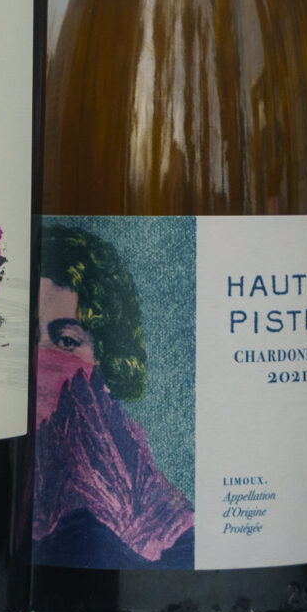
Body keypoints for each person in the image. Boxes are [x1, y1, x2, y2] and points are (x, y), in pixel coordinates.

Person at [32, 224, 193, 569]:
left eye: (67, 341)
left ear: (106, 356)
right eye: (31, 336)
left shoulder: (166, 522)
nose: (41, 356)